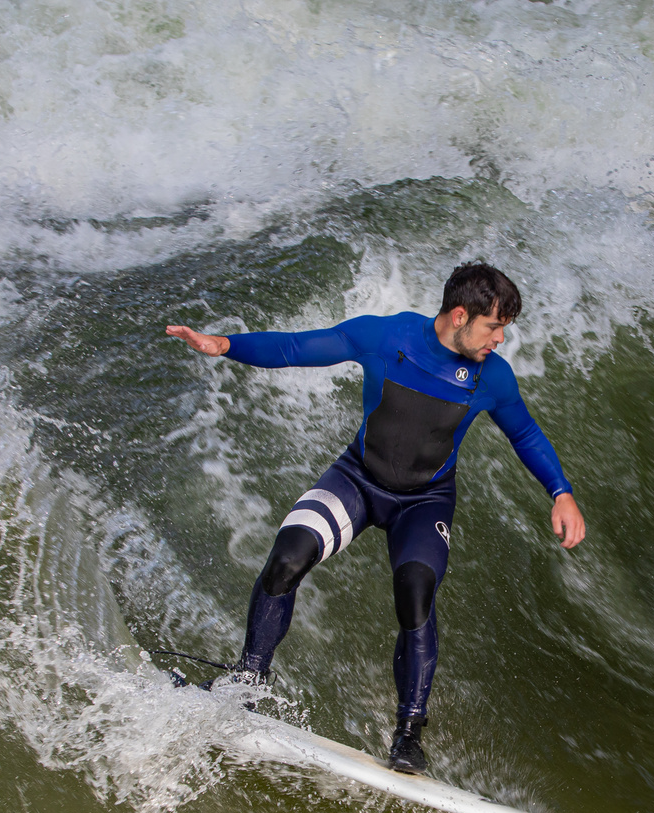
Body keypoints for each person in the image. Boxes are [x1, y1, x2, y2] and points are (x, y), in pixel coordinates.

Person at [166, 262, 585, 774]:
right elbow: (299, 347)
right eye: (494, 327)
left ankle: (408, 734)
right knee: (287, 557)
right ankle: (248, 680)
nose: (499, 339)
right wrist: (225, 345)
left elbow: (524, 434)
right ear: (460, 315)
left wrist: (560, 492)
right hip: (359, 481)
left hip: (424, 502)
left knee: (415, 596)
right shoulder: (387, 337)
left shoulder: (491, 377)